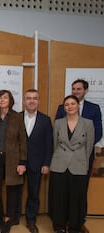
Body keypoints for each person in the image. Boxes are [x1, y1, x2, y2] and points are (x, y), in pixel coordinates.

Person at [55, 79, 102, 233]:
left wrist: (80, 151)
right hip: (61, 161)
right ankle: (61, 224)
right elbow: (55, 141)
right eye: (73, 88)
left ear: (86, 90)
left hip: (81, 159)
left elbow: (95, 135)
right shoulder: (60, 113)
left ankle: (78, 223)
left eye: (79, 89)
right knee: (61, 194)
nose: (76, 91)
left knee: (79, 194)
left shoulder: (93, 109)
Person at [49, 95, 94, 233]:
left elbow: (89, 147)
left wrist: (83, 162)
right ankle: (59, 226)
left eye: (73, 103)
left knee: (76, 197)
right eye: (67, 104)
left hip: (78, 164)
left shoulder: (88, 123)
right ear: (64, 107)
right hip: (59, 164)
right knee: (59, 197)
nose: (70, 106)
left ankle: (75, 227)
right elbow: (55, 144)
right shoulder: (58, 123)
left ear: (78, 105)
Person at [0, 90, 27, 233]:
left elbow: (22, 140)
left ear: (10, 101)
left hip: (13, 159)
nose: (2, 100)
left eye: (5, 97)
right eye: (0, 98)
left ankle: (8, 220)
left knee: (12, 190)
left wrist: (23, 162)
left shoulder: (17, 117)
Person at [21, 89, 53, 233]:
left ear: (39, 101)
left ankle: (31, 220)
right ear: (24, 100)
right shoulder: (16, 117)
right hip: (18, 163)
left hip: (37, 163)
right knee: (15, 191)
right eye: (28, 98)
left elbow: (49, 143)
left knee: (34, 193)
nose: (32, 101)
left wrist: (46, 163)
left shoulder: (45, 120)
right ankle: (14, 217)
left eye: (35, 98)